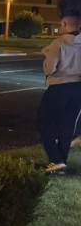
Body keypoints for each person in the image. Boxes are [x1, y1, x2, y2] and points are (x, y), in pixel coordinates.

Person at [38, 9, 81, 174]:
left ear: (64, 24)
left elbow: (49, 69)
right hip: (78, 88)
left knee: (45, 120)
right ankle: (61, 160)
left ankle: (55, 159)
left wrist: (46, 55)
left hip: (59, 87)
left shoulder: (58, 43)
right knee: (67, 124)